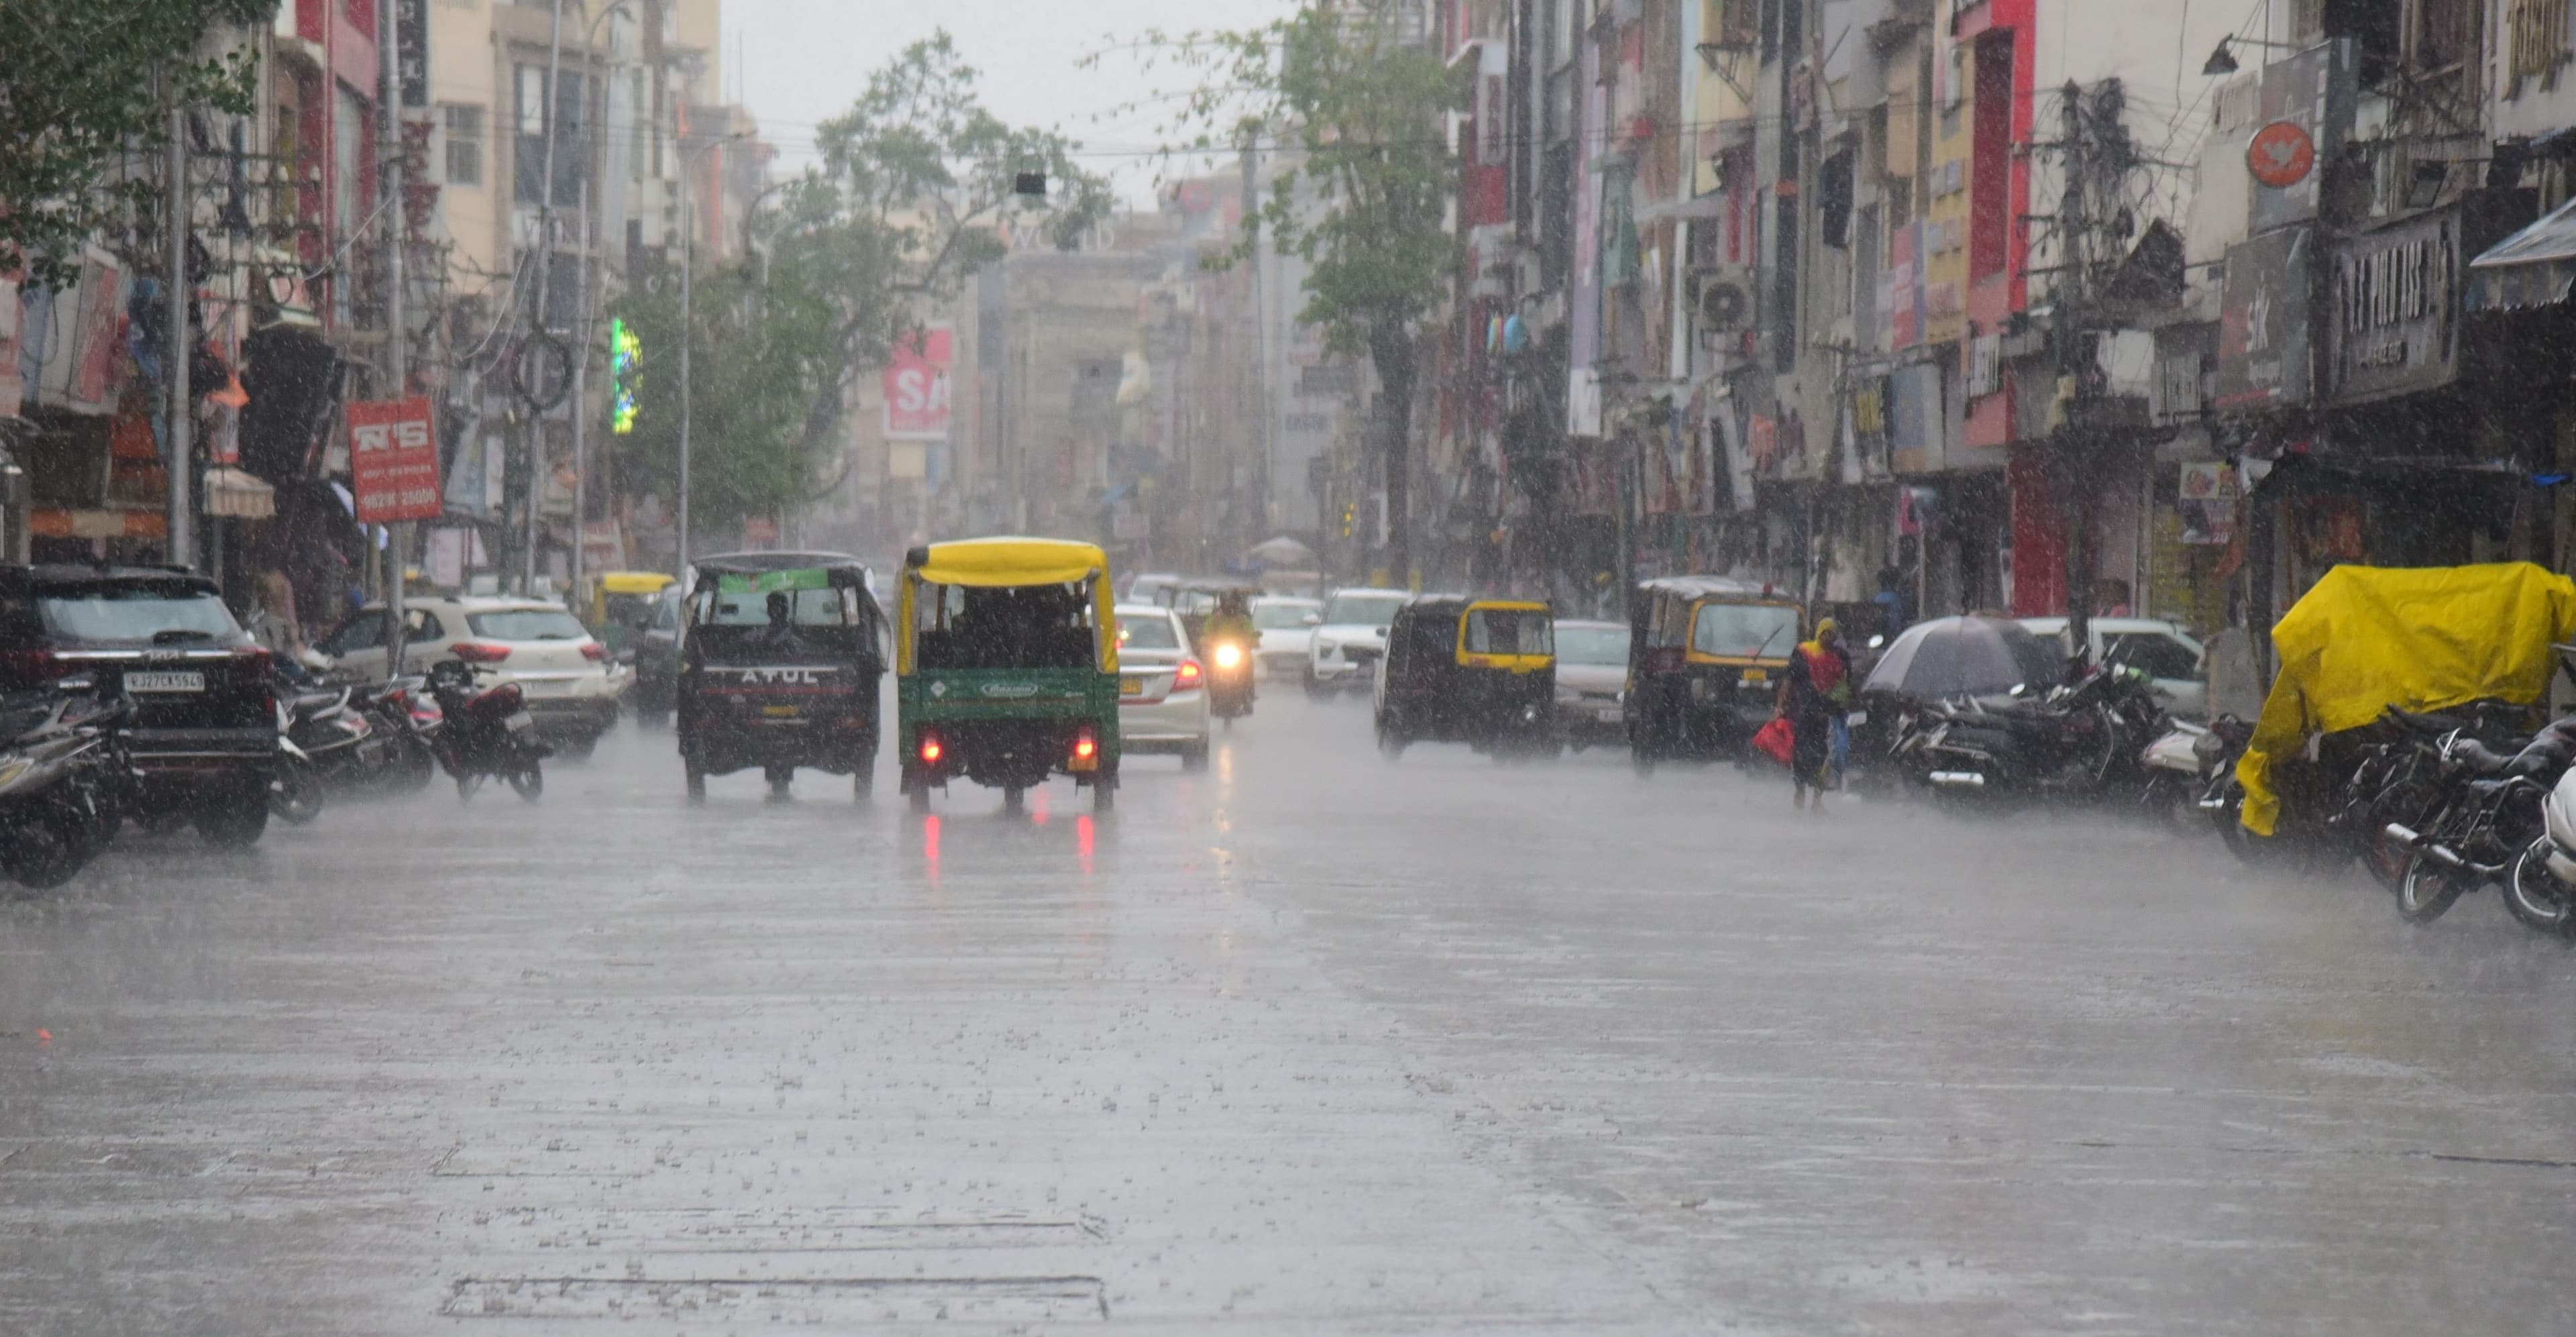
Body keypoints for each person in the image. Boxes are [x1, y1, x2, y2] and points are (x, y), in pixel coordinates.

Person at [1778, 617, 1854, 810]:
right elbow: (1789, 680)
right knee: (1801, 754)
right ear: (1818, 633)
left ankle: (1818, 800)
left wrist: (1840, 705)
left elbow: (1845, 685)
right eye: (1825, 633)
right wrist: (1781, 705)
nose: (1828, 637)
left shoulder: (1840, 657)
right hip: (1802, 713)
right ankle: (1800, 789)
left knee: (1824, 757)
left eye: (1832, 634)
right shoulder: (1803, 652)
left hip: (1826, 716)